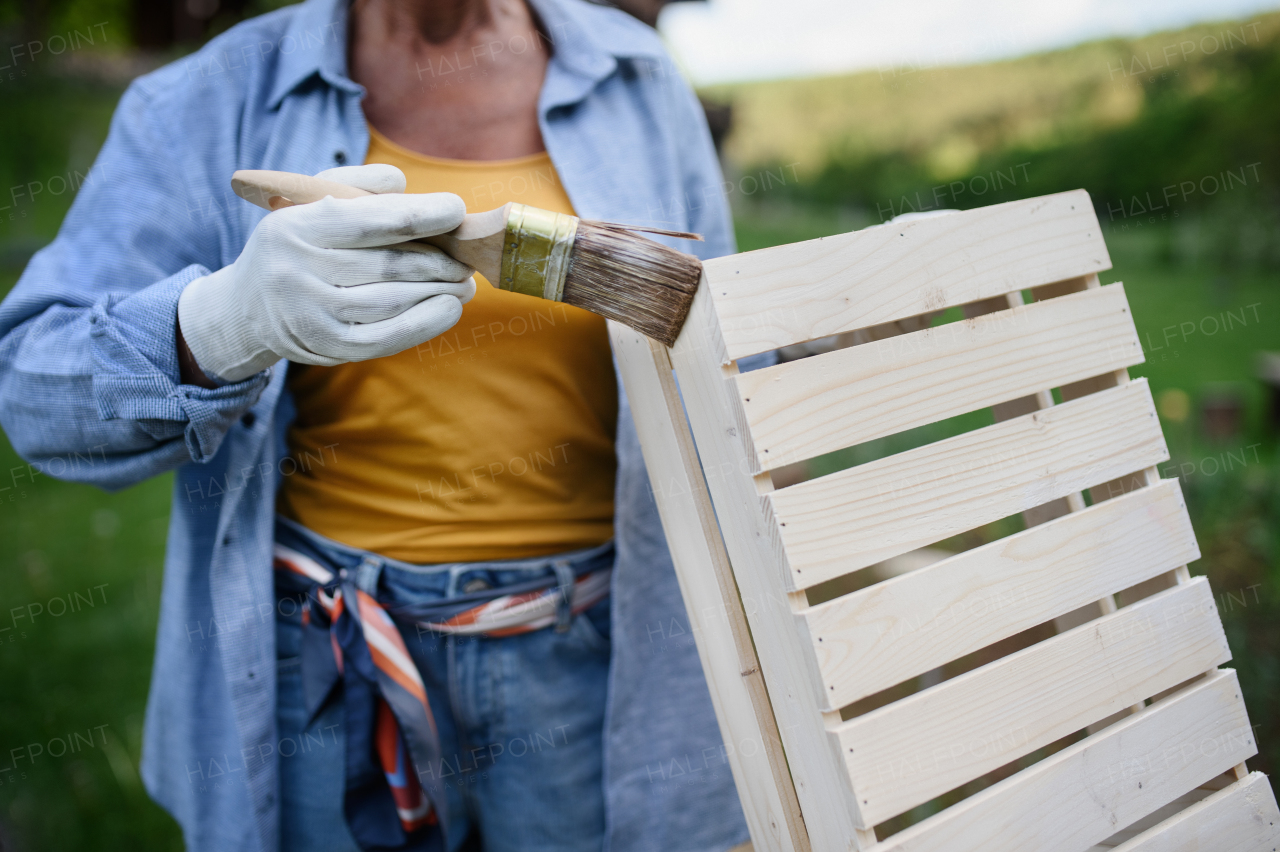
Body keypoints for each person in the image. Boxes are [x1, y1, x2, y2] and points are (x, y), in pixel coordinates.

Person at [0, 0, 761, 849]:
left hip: (587, 662)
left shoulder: (637, 77)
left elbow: (721, 349)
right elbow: (34, 394)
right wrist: (218, 326)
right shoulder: (213, 95)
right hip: (322, 666)